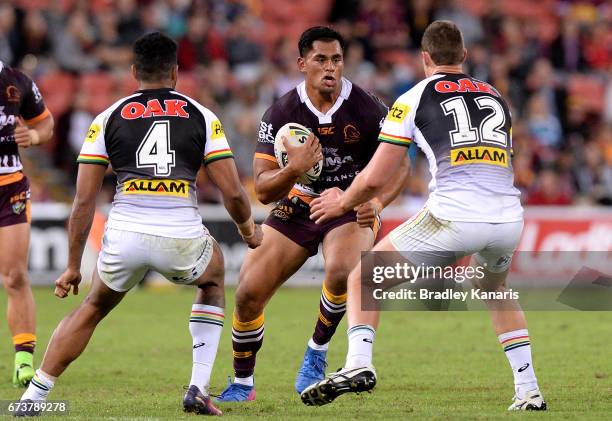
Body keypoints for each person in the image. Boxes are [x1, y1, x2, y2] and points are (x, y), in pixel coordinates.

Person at [303, 20, 547, 411]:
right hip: (507, 219)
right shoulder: (496, 96)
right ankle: (529, 390)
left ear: (425, 58)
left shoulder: (413, 97)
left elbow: (375, 177)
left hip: (453, 217)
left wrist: (341, 203)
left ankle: (358, 364)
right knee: (494, 290)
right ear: (464, 57)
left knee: (364, 276)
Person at [17, 32, 261, 416]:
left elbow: (83, 201)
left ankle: (34, 398)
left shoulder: (107, 117)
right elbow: (231, 191)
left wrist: (71, 265)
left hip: (125, 231)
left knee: (93, 306)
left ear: (134, 72)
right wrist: (249, 230)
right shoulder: (202, 115)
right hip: (180, 232)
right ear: (176, 73)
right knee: (213, 278)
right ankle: (198, 386)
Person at [217, 26, 408, 402]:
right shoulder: (282, 112)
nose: (330, 68)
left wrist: (377, 202)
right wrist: (293, 168)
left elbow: (400, 167)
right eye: (321, 60)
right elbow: (263, 186)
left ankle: (316, 353)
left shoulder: (367, 108)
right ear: (302, 64)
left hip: (350, 204)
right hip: (300, 202)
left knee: (343, 270)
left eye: (336, 59)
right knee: (247, 293)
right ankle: (242, 384)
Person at [0, 60, 54, 387]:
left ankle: (23, 359)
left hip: (10, 189)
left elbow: (45, 124)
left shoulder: (16, 81)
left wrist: (31, 135)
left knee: (15, 275)